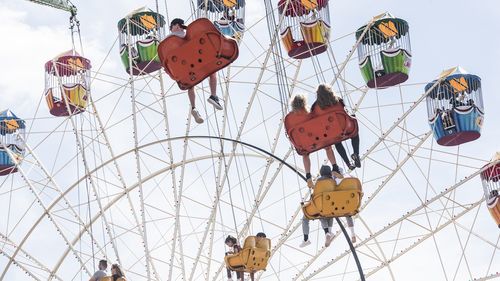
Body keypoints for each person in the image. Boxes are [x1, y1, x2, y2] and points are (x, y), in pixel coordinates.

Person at [168, 18, 223, 124]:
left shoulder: (168, 40)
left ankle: (194, 107)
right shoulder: (185, 34)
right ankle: (213, 95)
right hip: (196, 59)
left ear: (176, 26)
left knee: (190, 84)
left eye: (172, 27)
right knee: (212, 71)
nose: (172, 29)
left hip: (184, 66)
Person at [289, 94, 343, 188]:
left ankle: (308, 177)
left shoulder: (290, 118)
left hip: (305, 142)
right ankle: (335, 167)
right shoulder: (309, 112)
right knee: (328, 147)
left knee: (305, 154)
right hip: (318, 137)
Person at [312, 84, 361, 169]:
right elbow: (345, 112)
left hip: (330, 131)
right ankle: (356, 153)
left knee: (337, 142)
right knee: (355, 134)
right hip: (344, 126)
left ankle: (348, 163)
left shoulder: (315, 106)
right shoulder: (338, 99)